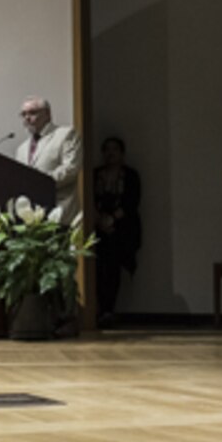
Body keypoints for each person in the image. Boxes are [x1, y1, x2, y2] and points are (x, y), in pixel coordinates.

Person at [93, 136, 141, 323]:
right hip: (97, 229)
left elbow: (132, 202)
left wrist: (111, 219)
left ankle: (109, 310)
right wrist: (99, 219)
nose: (110, 153)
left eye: (114, 149)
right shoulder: (95, 174)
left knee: (114, 269)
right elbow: (88, 198)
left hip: (122, 230)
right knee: (97, 269)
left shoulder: (130, 175)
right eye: (107, 149)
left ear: (122, 153)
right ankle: (99, 309)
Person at [11, 96, 81, 223]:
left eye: (32, 112)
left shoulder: (65, 134)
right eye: (23, 114)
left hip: (59, 211)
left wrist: (40, 182)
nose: (27, 118)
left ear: (47, 114)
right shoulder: (22, 148)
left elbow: (70, 169)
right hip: (31, 216)